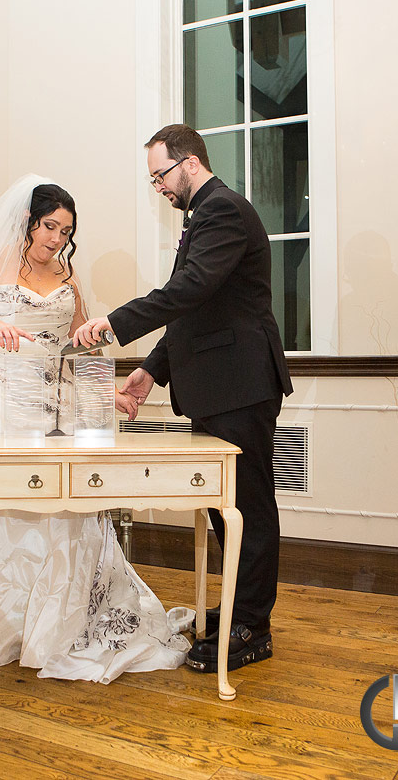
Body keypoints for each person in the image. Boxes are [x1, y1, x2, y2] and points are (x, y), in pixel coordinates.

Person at [0, 174, 191, 683]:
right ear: (28, 221)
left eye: (66, 231)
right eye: (50, 226)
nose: (57, 239)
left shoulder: (67, 276)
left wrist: (110, 392)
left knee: (62, 514)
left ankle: (54, 627)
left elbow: (79, 349)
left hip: (52, 413)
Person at [72, 125, 293, 673]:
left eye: (161, 176)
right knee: (225, 505)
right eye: (153, 180)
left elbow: (188, 290)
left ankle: (253, 627)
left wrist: (114, 323)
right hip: (220, 387)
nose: (159, 188)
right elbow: (195, 311)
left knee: (248, 508)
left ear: (190, 162)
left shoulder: (222, 210)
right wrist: (152, 370)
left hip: (240, 385)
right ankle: (240, 607)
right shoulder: (204, 216)